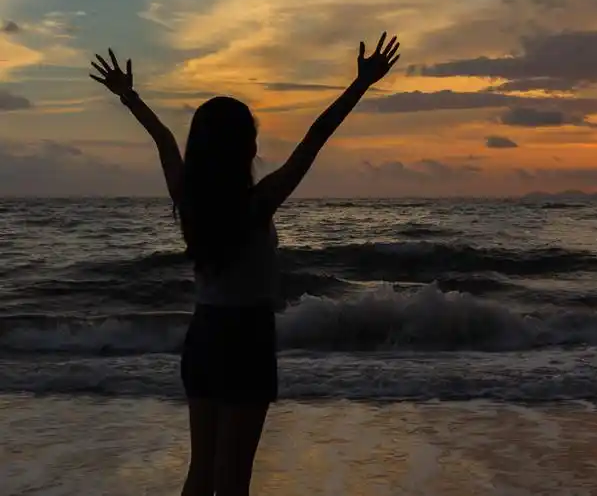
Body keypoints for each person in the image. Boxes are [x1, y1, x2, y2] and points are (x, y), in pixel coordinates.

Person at [89, 33, 400, 496]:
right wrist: (361, 85)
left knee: (202, 475)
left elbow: (163, 136)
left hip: (203, 336)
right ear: (246, 150)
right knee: (233, 482)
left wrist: (129, 95)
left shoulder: (188, 199)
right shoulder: (259, 204)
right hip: (247, 340)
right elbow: (315, 137)